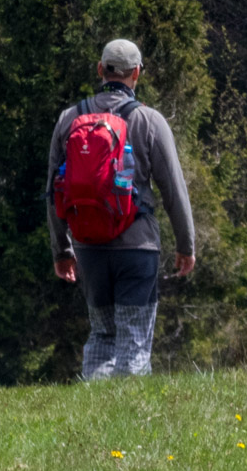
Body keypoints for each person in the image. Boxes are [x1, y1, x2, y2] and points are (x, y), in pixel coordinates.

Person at [45, 39, 195, 379]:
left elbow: (54, 192)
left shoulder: (69, 119)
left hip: (89, 247)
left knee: (102, 334)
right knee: (134, 340)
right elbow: (174, 190)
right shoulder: (149, 121)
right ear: (136, 74)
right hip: (138, 248)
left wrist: (62, 250)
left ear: (101, 70)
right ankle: (129, 421)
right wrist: (186, 246)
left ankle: (95, 414)